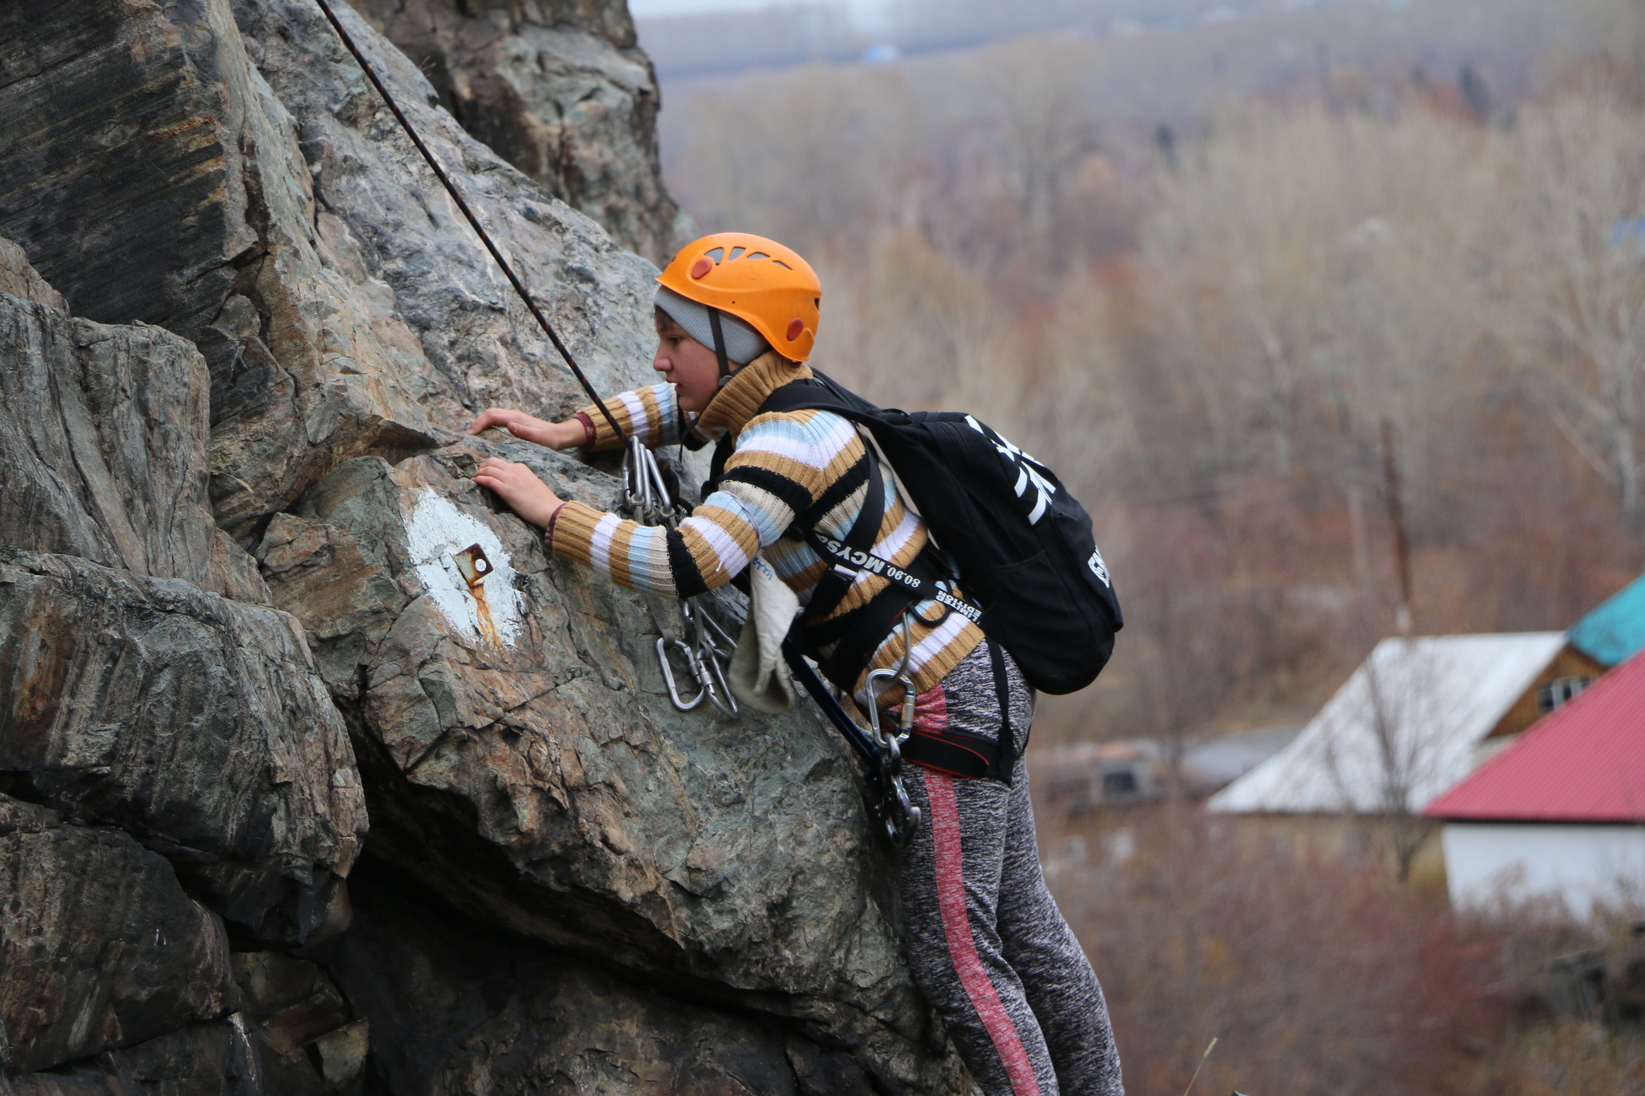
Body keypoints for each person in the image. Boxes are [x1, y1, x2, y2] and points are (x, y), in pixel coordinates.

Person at [468, 232, 1124, 1096]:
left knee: (958, 960)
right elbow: (687, 409)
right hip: (977, 677)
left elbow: (689, 560)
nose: (658, 358)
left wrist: (550, 511)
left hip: (937, 706)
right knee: (1025, 925)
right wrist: (578, 428)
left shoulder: (788, 445)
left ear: (742, 344)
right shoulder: (792, 405)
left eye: (676, 339)